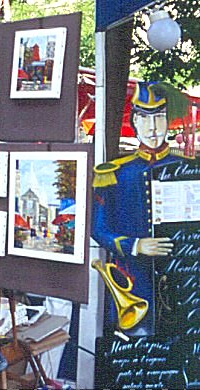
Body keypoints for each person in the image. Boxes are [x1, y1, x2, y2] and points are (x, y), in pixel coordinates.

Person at [91, 81, 188, 335]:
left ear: (169, 121)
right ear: (134, 122)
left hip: (183, 283)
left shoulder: (188, 169)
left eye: (159, 117)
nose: (153, 127)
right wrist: (136, 245)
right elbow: (98, 229)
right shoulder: (115, 173)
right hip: (134, 284)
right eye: (145, 118)